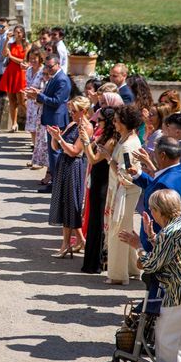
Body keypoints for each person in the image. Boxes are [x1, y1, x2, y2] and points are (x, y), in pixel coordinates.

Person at [118, 189, 181, 362]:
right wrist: (151, 236)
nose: (151, 212)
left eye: (152, 209)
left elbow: (152, 263)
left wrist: (138, 245)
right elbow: (169, 252)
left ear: (159, 211)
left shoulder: (170, 233)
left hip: (179, 291)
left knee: (165, 332)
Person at [130, 136, 181, 252]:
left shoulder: (163, 184)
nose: (153, 156)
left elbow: (156, 221)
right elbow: (156, 185)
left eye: (155, 153)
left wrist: (143, 247)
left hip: (157, 244)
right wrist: (138, 175)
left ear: (163, 155)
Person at [47, 96, 92, 257]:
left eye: (74, 111)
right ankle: (79, 240)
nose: (71, 114)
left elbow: (74, 151)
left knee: (71, 204)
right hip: (63, 165)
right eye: (70, 111)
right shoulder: (73, 124)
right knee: (65, 202)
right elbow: (56, 147)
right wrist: (55, 137)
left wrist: (59, 139)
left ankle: (66, 244)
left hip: (74, 167)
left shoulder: (87, 128)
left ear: (84, 111)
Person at [103, 105, 142, 285]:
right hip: (123, 190)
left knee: (118, 229)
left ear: (125, 123)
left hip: (125, 191)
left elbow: (125, 173)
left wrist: (108, 158)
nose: (114, 123)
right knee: (125, 227)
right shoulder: (126, 138)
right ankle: (132, 268)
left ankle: (118, 274)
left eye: (117, 120)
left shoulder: (127, 145)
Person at [26, 53, 72, 193]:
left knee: (55, 153)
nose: (48, 69)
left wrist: (38, 96)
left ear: (58, 64)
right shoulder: (55, 77)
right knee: (52, 153)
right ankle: (54, 182)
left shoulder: (62, 79)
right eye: (46, 66)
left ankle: (55, 184)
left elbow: (56, 101)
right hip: (51, 119)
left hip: (56, 120)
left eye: (50, 66)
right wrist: (38, 94)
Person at [79, 107, 118, 273]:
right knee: (93, 220)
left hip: (102, 182)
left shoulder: (112, 139)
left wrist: (86, 141)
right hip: (96, 180)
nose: (97, 122)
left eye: (100, 119)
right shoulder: (103, 135)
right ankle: (92, 260)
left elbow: (94, 159)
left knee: (97, 222)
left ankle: (95, 262)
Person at [0, 24, 29, 132]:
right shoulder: (11, 45)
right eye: (16, 32)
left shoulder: (27, 46)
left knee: (22, 102)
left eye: (20, 32)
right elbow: (3, 53)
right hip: (11, 72)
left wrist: (11, 57)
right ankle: (14, 123)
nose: (18, 34)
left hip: (21, 74)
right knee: (12, 101)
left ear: (23, 33)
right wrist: (6, 41)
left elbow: (24, 61)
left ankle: (31, 120)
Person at [24, 50, 44, 164]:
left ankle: (39, 158)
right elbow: (27, 84)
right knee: (32, 129)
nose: (32, 60)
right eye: (30, 58)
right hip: (31, 103)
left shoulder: (43, 71)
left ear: (40, 58)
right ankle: (35, 156)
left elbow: (45, 87)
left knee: (39, 129)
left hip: (39, 103)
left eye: (34, 58)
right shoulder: (29, 70)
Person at [29, 66, 50, 172]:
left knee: (46, 142)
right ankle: (39, 161)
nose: (45, 76)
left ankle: (46, 169)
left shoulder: (51, 84)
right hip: (40, 113)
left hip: (47, 116)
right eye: (43, 74)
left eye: (47, 74)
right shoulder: (44, 83)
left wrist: (37, 95)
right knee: (40, 139)